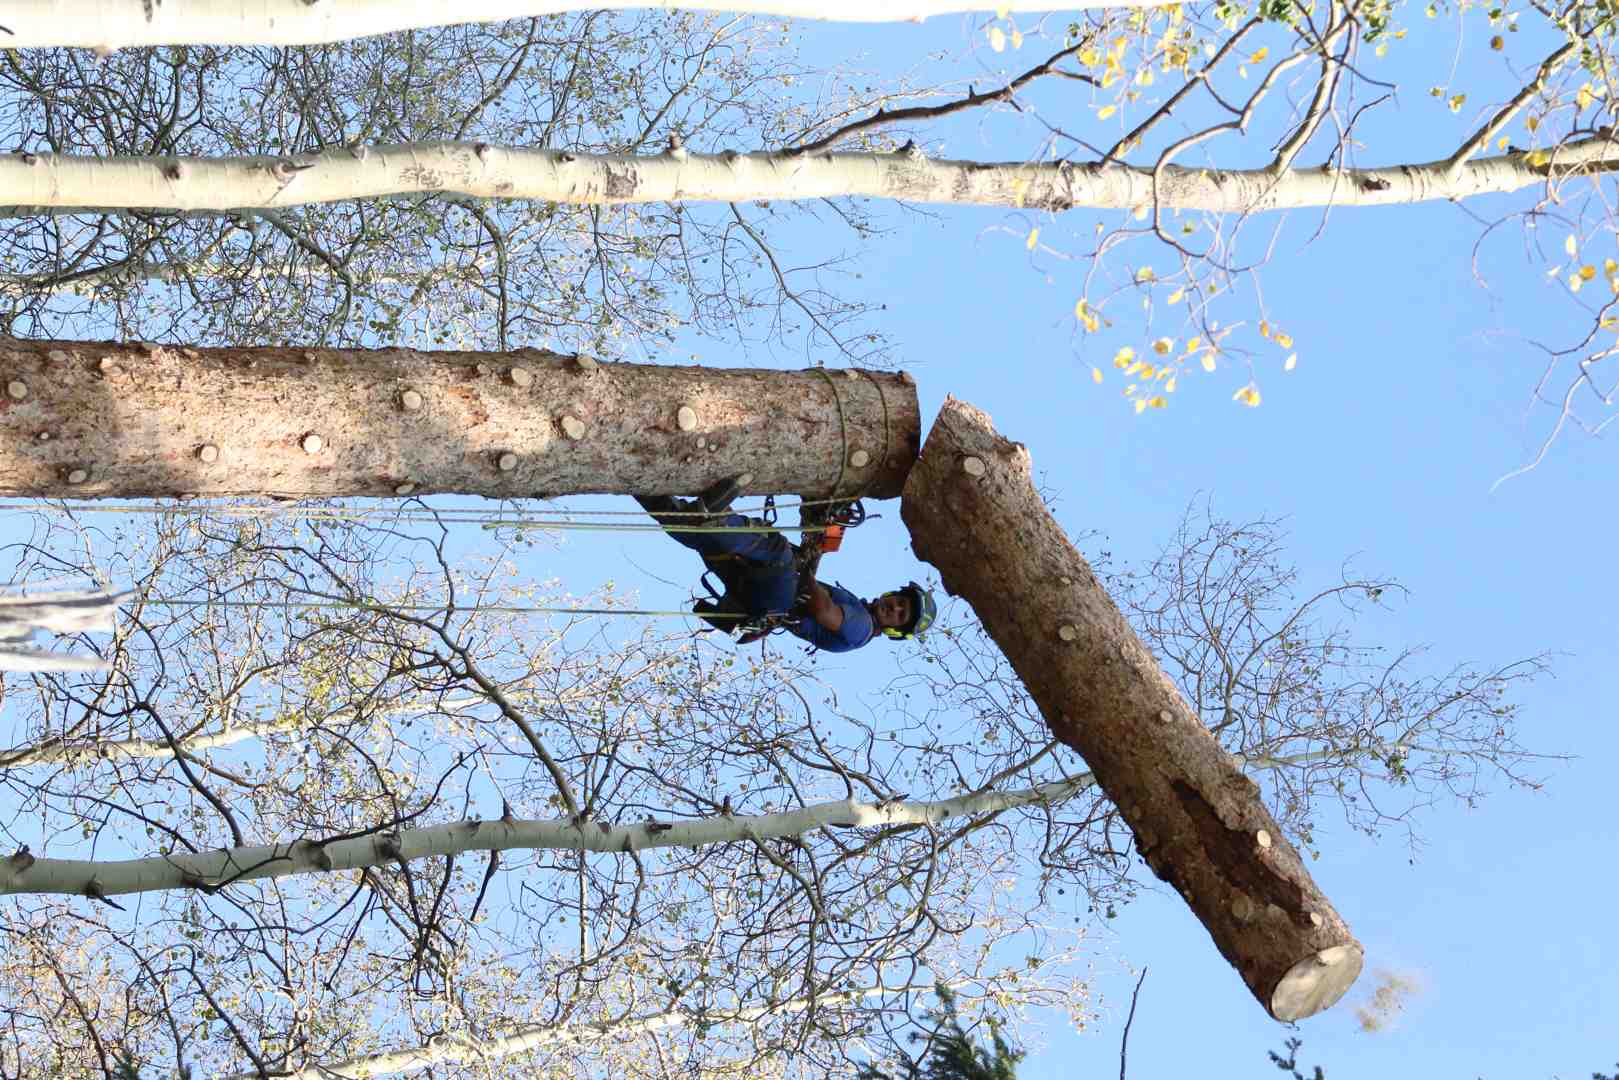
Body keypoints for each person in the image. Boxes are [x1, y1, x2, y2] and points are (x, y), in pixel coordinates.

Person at [634, 476, 936, 653]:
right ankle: (643, 488)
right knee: (705, 541)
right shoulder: (858, 609)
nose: (894, 608)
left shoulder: (861, 629)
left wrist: (807, 571)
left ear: (897, 630)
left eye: (900, 614)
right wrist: (822, 538)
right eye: (898, 602)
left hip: (777, 602)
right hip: (764, 596)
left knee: (777, 550)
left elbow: (822, 610)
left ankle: (711, 517)